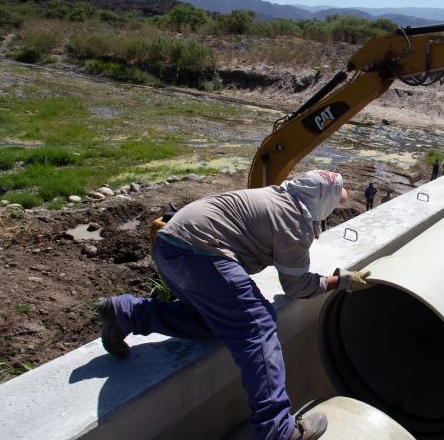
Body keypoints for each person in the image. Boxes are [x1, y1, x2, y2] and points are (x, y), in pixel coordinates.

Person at [98, 170, 371, 440]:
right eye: (335, 203)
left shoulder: (277, 195)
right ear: (322, 203)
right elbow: (297, 287)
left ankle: (125, 313)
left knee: (215, 321)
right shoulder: (294, 222)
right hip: (200, 251)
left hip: (169, 245)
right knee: (258, 324)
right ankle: (277, 429)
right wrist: (341, 280)